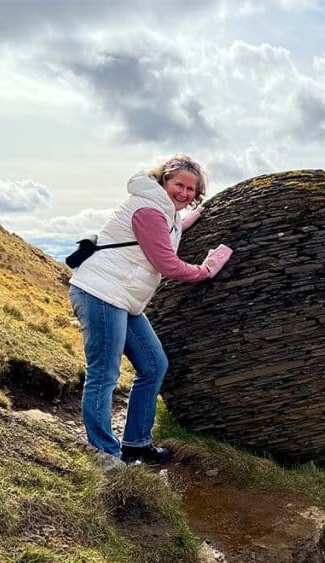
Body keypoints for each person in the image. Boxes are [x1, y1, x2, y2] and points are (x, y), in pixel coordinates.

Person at [68, 155, 232, 468]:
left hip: (123, 298)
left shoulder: (163, 210)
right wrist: (206, 270)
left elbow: (166, 229)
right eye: (178, 185)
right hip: (100, 293)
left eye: (190, 190)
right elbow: (166, 264)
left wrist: (190, 219)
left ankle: (136, 444)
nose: (184, 193)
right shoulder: (149, 209)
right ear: (163, 181)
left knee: (154, 365)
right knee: (104, 374)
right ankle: (105, 453)